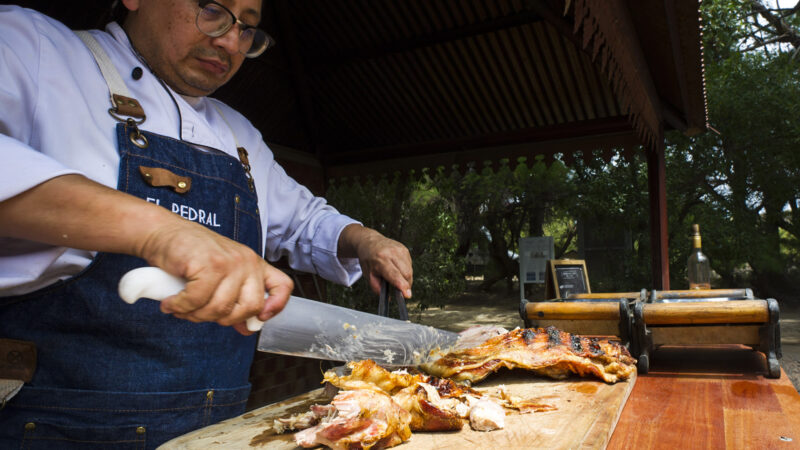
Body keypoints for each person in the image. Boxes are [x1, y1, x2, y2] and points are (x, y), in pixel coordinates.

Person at [0, 0, 413, 447]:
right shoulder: (33, 48)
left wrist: (365, 240)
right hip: (55, 428)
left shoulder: (237, 135)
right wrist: (159, 230)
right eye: (213, 9)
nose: (231, 42)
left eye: (247, 28)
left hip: (218, 433)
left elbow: (303, 219)